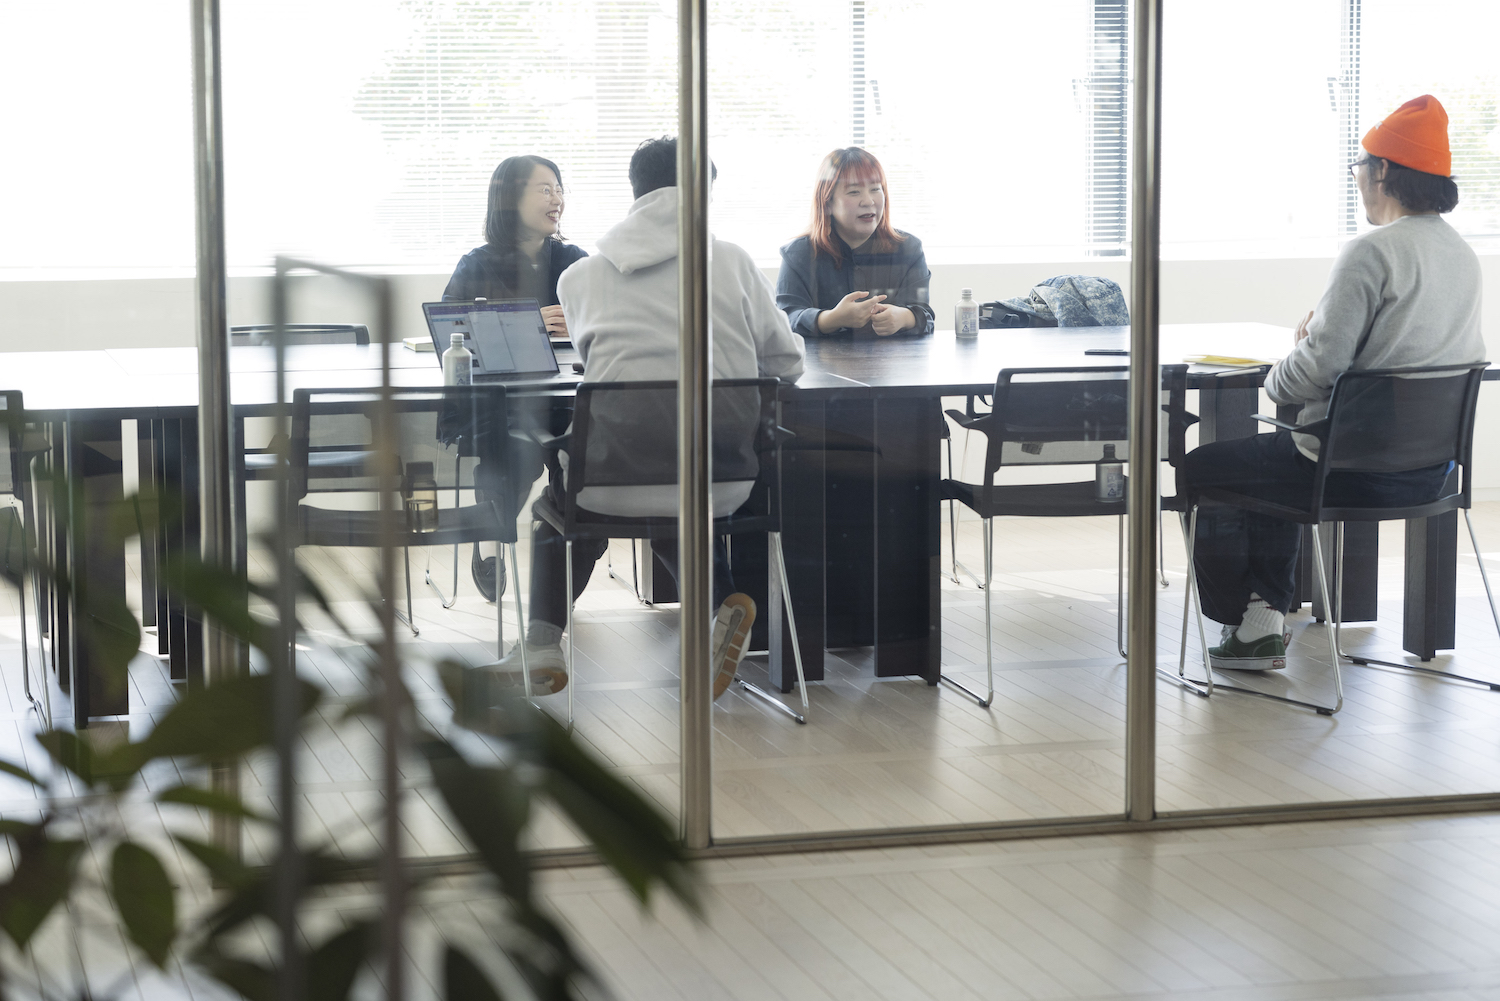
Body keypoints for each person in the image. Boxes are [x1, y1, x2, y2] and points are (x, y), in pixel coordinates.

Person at [462, 136, 806, 700]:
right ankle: (719, 610)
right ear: (704, 194)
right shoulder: (737, 263)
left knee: (562, 504)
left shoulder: (578, 279)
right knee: (674, 484)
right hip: (722, 478)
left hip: (614, 483)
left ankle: (542, 644)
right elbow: (786, 365)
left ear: (636, 191)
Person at [1183, 95, 1484, 671]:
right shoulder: (1463, 257)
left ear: (1385, 171)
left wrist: (1286, 362)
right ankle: (1261, 624)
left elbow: (1315, 372)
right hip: (1431, 475)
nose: (1358, 183)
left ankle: (1250, 624)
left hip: (1343, 472)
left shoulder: (1369, 253)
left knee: (1209, 467)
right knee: (1269, 463)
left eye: (1359, 170)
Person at [444, 155, 588, 602]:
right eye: (545, 189)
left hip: (570, 399)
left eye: (559, 189)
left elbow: (608, 321)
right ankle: (489, 542)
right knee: (514, 462)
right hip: (504, 403)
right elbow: (451, 329)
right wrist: (529, 325)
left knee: (583, 473)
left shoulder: (574, 261)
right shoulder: (477, 264)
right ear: (510, 199)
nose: (557, 199)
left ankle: (558, 586)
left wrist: (578, 320)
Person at [776, 147, 934, 338]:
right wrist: (830, 319)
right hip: (819, 365)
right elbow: (785, 319)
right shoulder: (799, 254)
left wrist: (904, 317)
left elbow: (925, 314)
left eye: (875, 189)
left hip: (890, 365)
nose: (868, 201)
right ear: (828, 203)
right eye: (854, 192)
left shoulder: (908, 248)